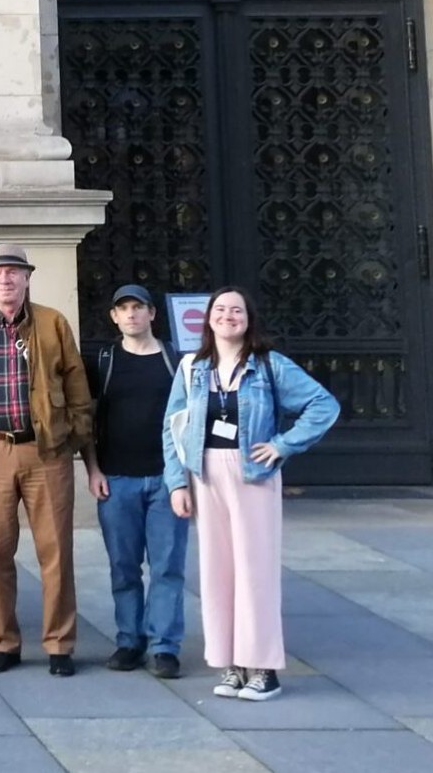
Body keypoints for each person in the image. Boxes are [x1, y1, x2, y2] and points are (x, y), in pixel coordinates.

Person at [165, 286, 338, 701]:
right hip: (206, 474)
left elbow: (323, 404)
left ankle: (262, 668)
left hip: (252, 474)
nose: (228, 316)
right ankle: (230, 664)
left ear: (248, 319)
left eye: (236, 310)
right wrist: (177, 482)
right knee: (217, 571)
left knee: (254, 571)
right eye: (220, 309)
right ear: (207, 318)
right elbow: (173, 426)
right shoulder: (192, 367)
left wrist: (282, 444)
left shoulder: (269, 365)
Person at [0, 243, 92, 677]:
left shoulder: (51, 323)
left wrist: (78, 442)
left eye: (13, 272)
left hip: (47, 452)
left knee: (56, 551)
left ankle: (60, 644)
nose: (5, 280)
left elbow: (76, 383)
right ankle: (3, 642)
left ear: (27, 277)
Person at [85, 284, 188, 679]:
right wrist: (92, 469)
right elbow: (87, 420)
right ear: (114, 317)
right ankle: (129, 640)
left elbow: (188, 419)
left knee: (167, 566)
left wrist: (185, 479)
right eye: (123, 309)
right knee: (123, 567)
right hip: (116, 479)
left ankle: (165, 647)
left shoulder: (175, 360)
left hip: (166, 478)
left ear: (152, 314)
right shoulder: (104, 360)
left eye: (138, 307)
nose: (131, 315)